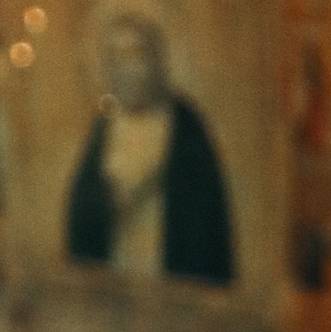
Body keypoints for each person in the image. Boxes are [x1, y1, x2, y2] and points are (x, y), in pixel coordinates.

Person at [64, 15, 236, 287]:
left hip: (173, 288)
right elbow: (83, 216)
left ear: (157, 61)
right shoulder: (103, 126)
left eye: (135, 54)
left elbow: (204, 223)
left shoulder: (187, 130)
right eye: (116, 58)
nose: (125, 69)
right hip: (115, 288)